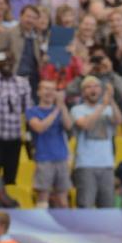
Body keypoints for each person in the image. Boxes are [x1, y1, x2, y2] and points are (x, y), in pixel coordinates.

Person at [71, 77, 121, 208]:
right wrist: (103, 106)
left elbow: (119, 120)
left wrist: (112, 100)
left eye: (96, 86)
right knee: (85, 206)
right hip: (85, 164)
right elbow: (86, 125)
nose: (93, 89)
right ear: (83, 92)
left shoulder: (108, 108)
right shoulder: (77, 109)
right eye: (89, 87)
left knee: (107, 206)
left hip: (107, 164)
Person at [0, 52, 32, 186]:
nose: (7, 64)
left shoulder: (23, 82)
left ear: (14, 62)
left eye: (9, 61)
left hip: (14, 136)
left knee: (10, 176)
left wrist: (28, 135)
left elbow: (27, 110)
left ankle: (7, 204)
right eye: (3, 61)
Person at [26, 80, 72, 208]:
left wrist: (61, 106)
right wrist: (57, 109)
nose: (49, 92)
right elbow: (40, 127)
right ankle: (42, 225)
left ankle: (64, 226)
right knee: (43, 198)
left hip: (61, 158)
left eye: (52, 89)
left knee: (63, 199)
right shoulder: (32, 111)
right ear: (39, 92)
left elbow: (69, 125)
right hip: (44, 158)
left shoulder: (60, 109)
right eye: (46, 89)